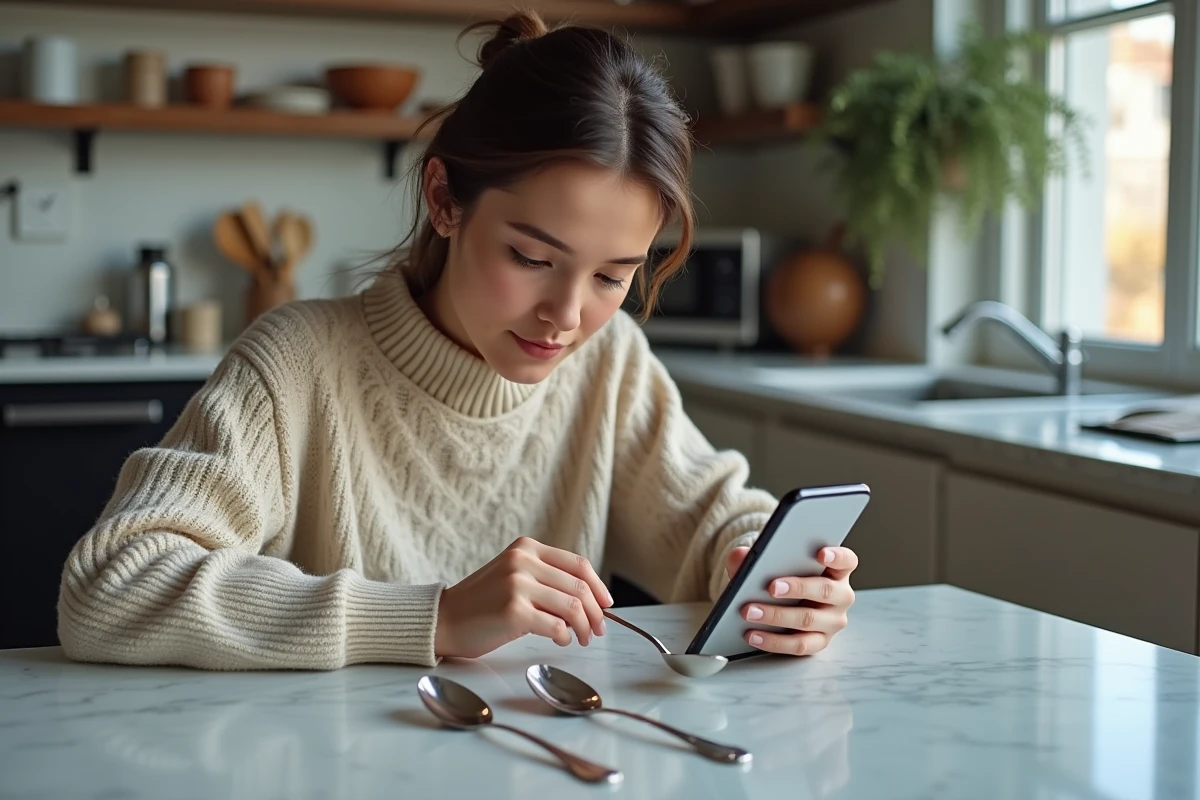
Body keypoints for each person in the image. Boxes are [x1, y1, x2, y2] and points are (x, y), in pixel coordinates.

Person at [57, 11, 859, 670]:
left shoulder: (607, 361)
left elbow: (716, 521)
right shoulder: (297, 364)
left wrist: (771, 575)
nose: (566, 316)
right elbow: (110, 585)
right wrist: (432, 617)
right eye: (532, 258)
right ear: (445, 199)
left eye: (613, 276)